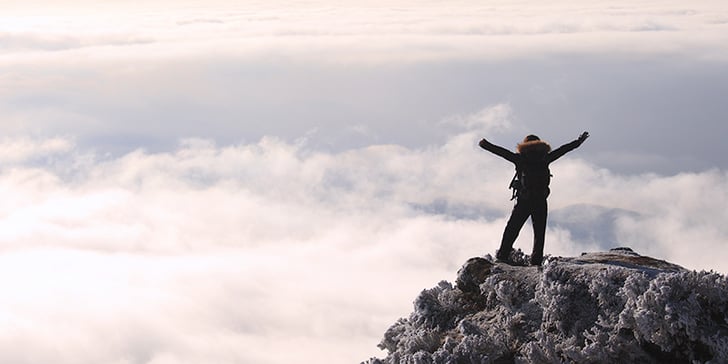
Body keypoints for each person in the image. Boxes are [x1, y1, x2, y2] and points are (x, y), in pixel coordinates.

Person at [479, 132, 589, 265]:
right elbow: (563, 150)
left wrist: (485, 145)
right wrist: (578, 142)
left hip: (524, 200)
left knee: (512, 229)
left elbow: (502, 152)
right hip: (540, 200)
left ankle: (503, 256)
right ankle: (536, 262)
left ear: (524, 145)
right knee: (539, 233)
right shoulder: (545, 158)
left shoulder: (521, 158)